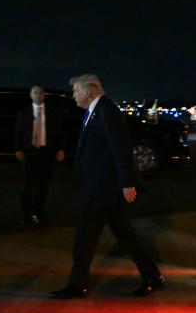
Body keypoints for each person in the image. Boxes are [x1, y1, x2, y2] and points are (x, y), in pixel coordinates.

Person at [51, 74, 165, 299]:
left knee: (85, 237)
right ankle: (152, 276)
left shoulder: (107, 111)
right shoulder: (95, 111)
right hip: (98, 186)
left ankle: (78, 284)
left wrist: (127, 183)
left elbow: (120, 148)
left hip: (102, 189)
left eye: (76, 91)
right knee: (124, 235)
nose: (74, 96)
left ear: (90, 91)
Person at [14, 85, 66, 224]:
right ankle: (25, 215)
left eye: (40, 92)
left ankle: (38, 213)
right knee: (27, 186)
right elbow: (18, 132)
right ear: (31, 95)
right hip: (29, 153)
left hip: (46, 153)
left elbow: (58, 132)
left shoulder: (53, 112)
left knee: (43, 185)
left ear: (44, 95)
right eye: (35, 92)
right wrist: (18, 149)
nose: (38, 95)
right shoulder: (23, 112)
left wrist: (60, 149)